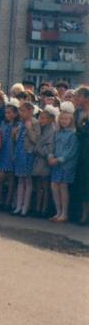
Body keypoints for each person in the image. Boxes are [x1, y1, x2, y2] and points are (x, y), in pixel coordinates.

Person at [49, 104, 79, 223]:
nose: (64, 121)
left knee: (63, 186)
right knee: (54, 186)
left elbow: (71, 150)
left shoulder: (73, 134)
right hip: (55, 163)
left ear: (71, 120)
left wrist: (59, 159)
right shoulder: (57, 133)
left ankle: (64, 213)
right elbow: (53, 146)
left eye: (67, 119)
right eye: (62, 119)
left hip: (66, 165)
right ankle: (58, 211)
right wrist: (50, 156)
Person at [12, 102, 39, 216]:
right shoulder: (20, 123)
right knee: (20, 179)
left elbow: (36, 140)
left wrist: (29, 129)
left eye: (23, 111)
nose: (21, 113)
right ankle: (18, 206)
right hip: (19, 151)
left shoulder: (35, 123)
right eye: (20, 111)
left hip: (28, 153)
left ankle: (25, 207)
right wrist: (14, 134)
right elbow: (15, 140)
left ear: (30, 111)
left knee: (27, 180)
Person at [0, 100, 20, 209]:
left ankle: (8, 203)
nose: (7, 115)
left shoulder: (18, 125)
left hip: (12, 152)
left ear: (15, 113)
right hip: (3, 151)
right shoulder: (3, 124)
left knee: (11, 179)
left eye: (10, 112)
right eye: (6, 112)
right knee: (0, 178)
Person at [31, 106, 57, 216]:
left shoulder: (52, 131)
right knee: (38, 185)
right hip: (38, 160)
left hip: (45, 161)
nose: (41, 120)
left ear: (51, 119)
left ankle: (44, 208)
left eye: (44, 118)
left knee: (45, 185)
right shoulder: (40, 129)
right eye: (40, 118)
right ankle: (38, 206)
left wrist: (39, 149)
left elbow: (50, 147)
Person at [72, 86, 89, 224]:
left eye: (78, 96)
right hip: (79, 150)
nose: (75, 99)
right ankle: (80, 213)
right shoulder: (77, 113)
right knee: (81, 182)